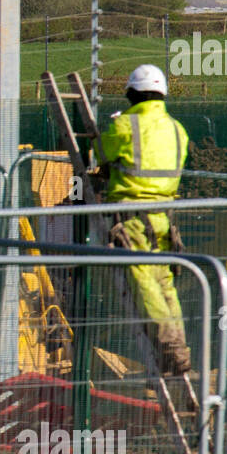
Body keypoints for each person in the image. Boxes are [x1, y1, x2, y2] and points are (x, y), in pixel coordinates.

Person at [96, 64, 192, 376]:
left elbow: (99, 152)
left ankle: (169, 350)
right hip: (164, 216)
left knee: (143, 281)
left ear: (131, 93)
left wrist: (110, 131)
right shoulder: (178, 129)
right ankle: (181, 350)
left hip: (132, 216)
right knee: (165, 283)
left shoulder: (126, 125)